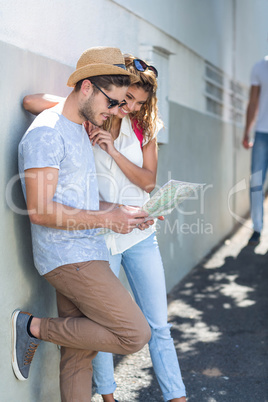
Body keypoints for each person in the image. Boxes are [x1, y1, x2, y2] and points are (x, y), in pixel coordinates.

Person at [23, 55, 187, 402]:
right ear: (87, 88)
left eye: (125, 103)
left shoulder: (83, 129)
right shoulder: (52, 130)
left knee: (78, 353)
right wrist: (109, 218)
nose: (118, 110)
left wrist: (126, 212)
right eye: (114, 101)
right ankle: (31, 327)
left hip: (92, 246)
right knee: (134, 333)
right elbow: (39, 211)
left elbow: (93, 200)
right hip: (74, 255)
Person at [242, 55, 268, 245]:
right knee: (256, 183)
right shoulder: (259, 67)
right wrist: (247, 131)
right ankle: (257, 228)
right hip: (262, 133)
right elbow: (253, 102)